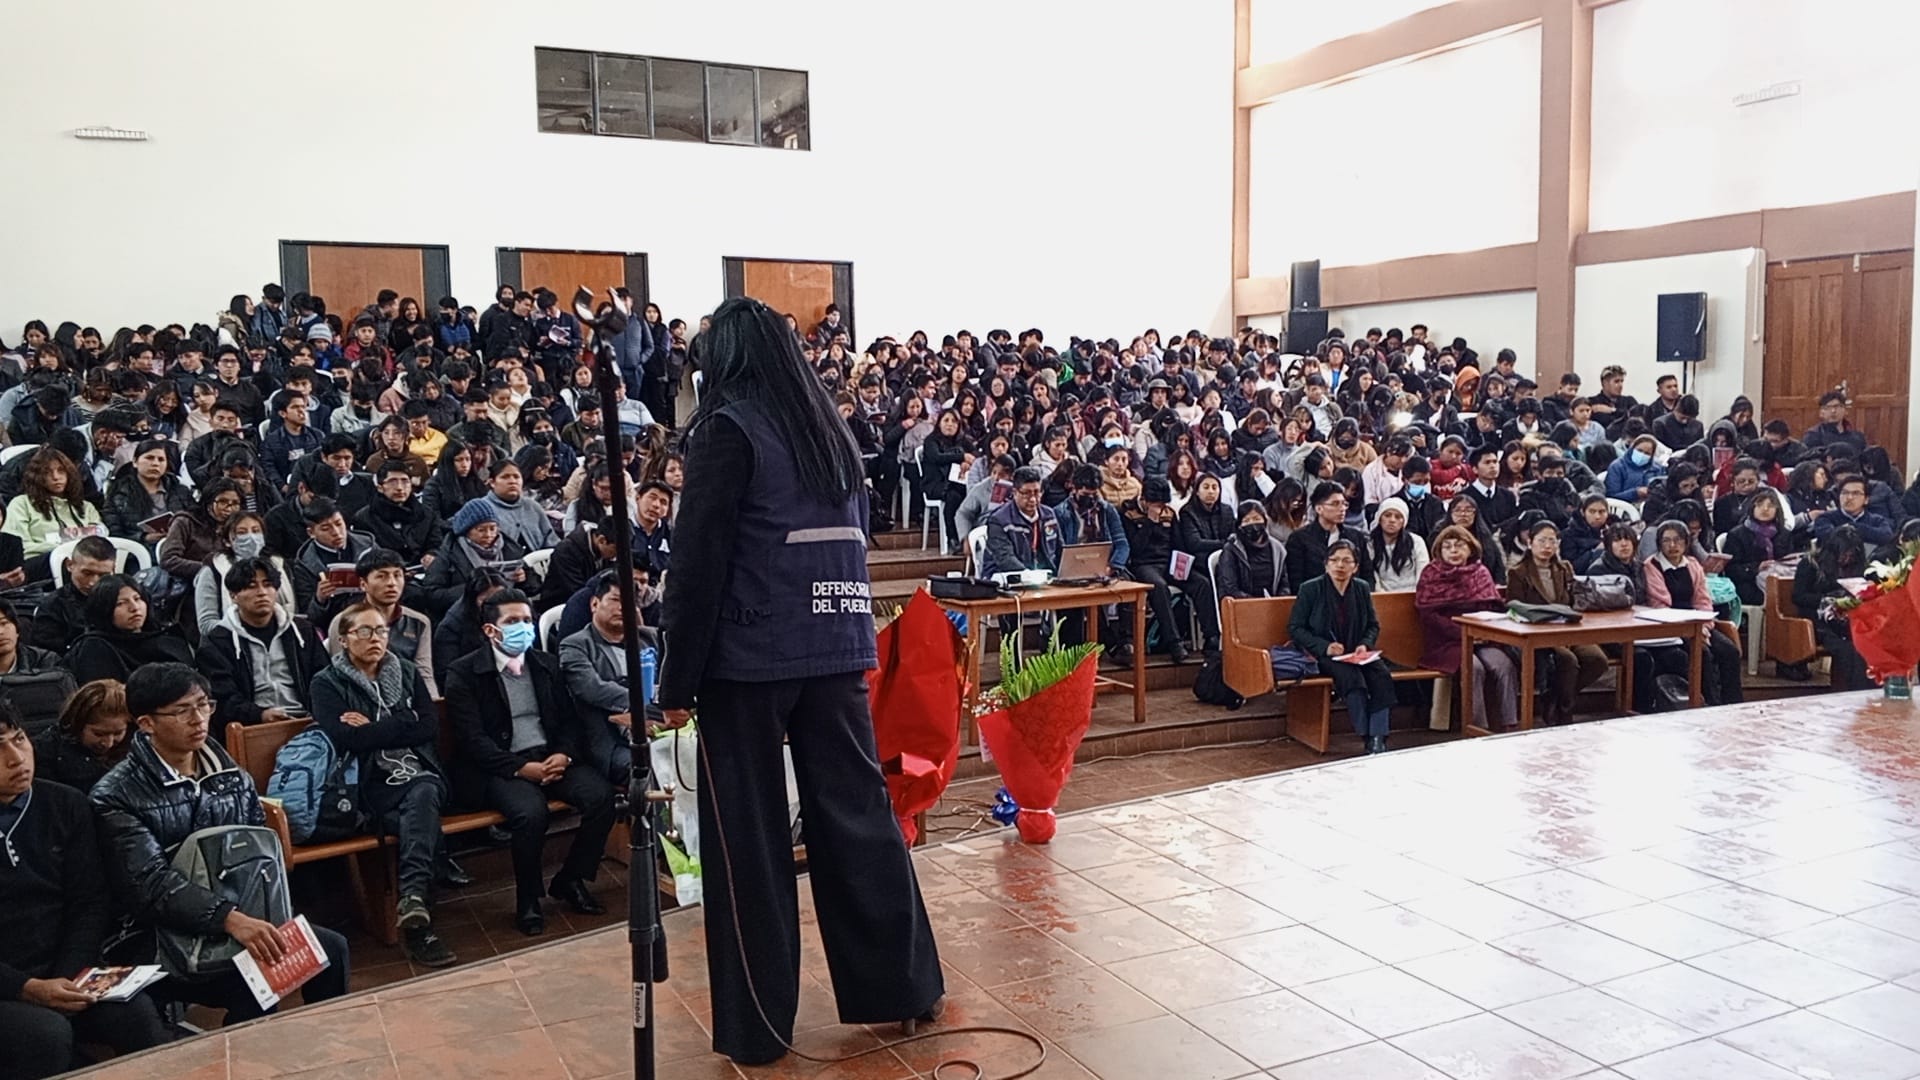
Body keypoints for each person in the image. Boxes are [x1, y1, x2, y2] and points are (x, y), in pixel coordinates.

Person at [656, 298, 943, 1066]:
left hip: (749, 659)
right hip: (837, 645)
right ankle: (906, 987)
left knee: (747, 843)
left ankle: (759, 1029)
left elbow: (698, 563)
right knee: (857, 819)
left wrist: (674, 680)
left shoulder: (727, 429)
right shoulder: (830, 431)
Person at [91, 664, 351, 1024]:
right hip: (155, 931)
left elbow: (258, 851)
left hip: (233, 914)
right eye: (182, 711)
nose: (198, 719)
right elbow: (149, 886)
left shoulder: (229, 775)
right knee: (251, 978)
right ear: (146, 723)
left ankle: (331, 1048)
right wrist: (229, 919)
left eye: (203, 705)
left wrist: (260, 916)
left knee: (330, 950)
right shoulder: (116, 795)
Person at [0, 701, 174, 1080]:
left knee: (137, 1015)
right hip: (9, 983)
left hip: (64, 970)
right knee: (44, 1036)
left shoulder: (64, 803)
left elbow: (89, 903)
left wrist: (67, 978)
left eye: (18, 739)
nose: (16, 758)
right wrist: (27, 988)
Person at [444, 589, 613, 936]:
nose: (524, 627)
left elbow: (569, 721)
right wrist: (520, 769)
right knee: (529, 813)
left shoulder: (546, 665)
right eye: (512, 621)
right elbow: (472, 739)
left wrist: (563, 754)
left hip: (549, 756)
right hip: (502, 765)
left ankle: (572, 878)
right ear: (491, 630)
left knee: (601, 797)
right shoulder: (464, 672)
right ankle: (529, 899)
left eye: (526, 620)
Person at [311, 602, 457, 969]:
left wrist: (376, 727)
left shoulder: (406, 671)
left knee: (423, 794)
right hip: (367, 786)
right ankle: (417, 920)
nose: (374, 638)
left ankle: (413, 905)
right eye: (364, 631)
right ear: (344, 639)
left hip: (420, 772)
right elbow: (346, 740)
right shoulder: (326, 683)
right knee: (421, 819)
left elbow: (427, 728)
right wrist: (400, 719)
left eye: (380, 631)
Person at [196, 557, 327, 739]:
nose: (262, 592)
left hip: (308, 720)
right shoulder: (218, 640)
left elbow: (323, 677)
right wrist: (260, 714)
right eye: (251, 586)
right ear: (233, 595)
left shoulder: (302, 631)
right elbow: (222, 697)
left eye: (268, 585)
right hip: (252, 727)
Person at [1288, 540, 1398, 753]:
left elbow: (1372, 625)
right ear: (1326, 564)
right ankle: (1364, 733)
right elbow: (1295, 628)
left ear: (1355, 567)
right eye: (1335, 560)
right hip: (1326, 655)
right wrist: (1325, 646)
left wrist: (1364, 645)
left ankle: (1378, 735)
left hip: (1357, 653)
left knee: (1381, 675)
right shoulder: (1310, 589)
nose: (1340, 565)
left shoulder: (1361, 588)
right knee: (1352, 678)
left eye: (1347, 561)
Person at [560, 570, 663, 785]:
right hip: (612, 741)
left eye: (629, 602)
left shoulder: (650, 637)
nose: (622, 607)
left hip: (662, 729)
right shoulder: (575, 645)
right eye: (615, 600)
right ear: (594, 604)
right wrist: (643, 702)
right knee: (654, 768)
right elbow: (590, 688)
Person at [1416, 525, 1520, 731]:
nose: (1453, 551)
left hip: (1482, 637)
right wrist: (1463, 632)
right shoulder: (1431, 574)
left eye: (1459, 545)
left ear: (1470, 549)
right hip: (1447, 642)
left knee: (1504, 665)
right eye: (1447, 547)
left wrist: (1482, 632)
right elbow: (1429, 616)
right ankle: (1476, 726)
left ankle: (1510, 724)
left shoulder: (1480, 572)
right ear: (1439, 551)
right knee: (1475, 668)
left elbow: (1493, 607)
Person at [1506, 521, 1609, 724]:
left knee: (1598, 660)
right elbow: (1513, 606)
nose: (1547, 546)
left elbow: (1573, 601)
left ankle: (1555, 698)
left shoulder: (1564, 568)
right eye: (1542, 540)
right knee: (1567, 660)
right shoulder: (1517, 572)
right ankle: (1565, 711)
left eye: (1552, 541)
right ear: (1530, 543)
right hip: (1539, 633)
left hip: (1568, 628)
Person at [1643, 519, 1745, 706]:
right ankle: (1710, 704)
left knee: (1729, 651)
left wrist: (1704, 628)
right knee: (1702, 653)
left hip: (1697, 622)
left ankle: (1734, 703)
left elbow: (1703, 600)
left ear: (1686, 542)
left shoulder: (1692, 564)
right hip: (1670, 627)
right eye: (1666, 540)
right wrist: (1690, 631)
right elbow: (1659, 604)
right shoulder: (1652, 566)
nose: (1673, 545)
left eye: (1678, 540)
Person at [326, 548, 438, 696]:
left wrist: (433, 705)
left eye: (397, 575)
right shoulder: (343, 621)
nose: (391, 583)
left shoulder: (419, 621)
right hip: (360, 697)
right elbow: (342, 671)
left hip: (408, 697)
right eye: (382, 576)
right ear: (363, 583)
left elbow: (424, 672)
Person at [67, 576, 195, 686]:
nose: (134, 608)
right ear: (104, 609)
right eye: (121, 603)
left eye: (137, 599)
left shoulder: (166, 638)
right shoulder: (95, 647)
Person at [1122, 476, 1196, 664]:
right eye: (1155, 504)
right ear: (1144, 500)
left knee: (1200, 583)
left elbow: (1178, 545)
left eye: (1162, 504)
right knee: (1159, 586)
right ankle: (1175, 644)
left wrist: (1181, 564)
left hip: (1168, 563)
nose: (1159, 508)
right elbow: (1134, 549)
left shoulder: (1169, 513)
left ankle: (1212, 638)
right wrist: (1149, 523)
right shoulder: (1128, 512)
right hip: (1142, 565)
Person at [421, 498, 534, 619]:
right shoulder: (449, 553)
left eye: (492, 528)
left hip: (510, 613)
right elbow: (432, 595)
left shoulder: (510, 549)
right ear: (467, 531)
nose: (488, 535)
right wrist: (473, 589)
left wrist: (524, 578)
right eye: (481, 530)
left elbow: (534, 587)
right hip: (466, 617)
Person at [1795, 524, 1874, 691]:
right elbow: (1798, 596)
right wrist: (1827, 599)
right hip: (1818, 618)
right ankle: (1854, 691)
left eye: (1851, 554)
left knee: (1868, 643)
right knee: (1847, 649)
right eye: (1843, 553)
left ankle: (1871, 690)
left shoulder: (1858, 567)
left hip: (1848, 616)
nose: (1846, 558)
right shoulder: (1810, 564)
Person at [4, 448, 103, 579]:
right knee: (67, 562)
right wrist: (62, 548)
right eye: (47, 472)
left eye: (61, 471)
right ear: (37, 476)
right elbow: (19, 547)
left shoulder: (86, 507)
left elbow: (101, 539)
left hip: (83, 561)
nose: (56, 477)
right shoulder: (21, 504)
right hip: (38, 564)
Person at [289, 497, 377, 630]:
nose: (336, 533)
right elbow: (310, 615)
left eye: (339, 524)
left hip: (375, 609)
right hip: (337, 623)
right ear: (311, 533)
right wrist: (320, 599)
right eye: (326, 528)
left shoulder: (368, 544)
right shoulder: (304, 565)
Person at [30, 681, 130, 794]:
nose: (108, 743)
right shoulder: (45, 752)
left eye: (118, 733)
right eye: (99, 734)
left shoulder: (136, 748)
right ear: (77, 724)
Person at [1175, 473, 1234, 653]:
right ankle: (1212, 636)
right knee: (1204, 584)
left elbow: (1234, 537)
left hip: (1222, 563)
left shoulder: (1226, 510)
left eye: (1214, 488)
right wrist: (1223, 544)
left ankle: (1234, 632)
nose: (1211, 492)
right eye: (1206, 487)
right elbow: (1194, 544)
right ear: (1197, 491)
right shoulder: (1187, 512)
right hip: (1194, 564)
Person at [353, 459, 445, 566]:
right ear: (380, 488)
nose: (400, 488)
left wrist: (431, 554)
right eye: (392, 482)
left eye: (405, 481)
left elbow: (436, 544)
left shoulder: (426, 514)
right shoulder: (364, 518)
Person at [1287, 480, 1374, 592]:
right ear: (1319, 508)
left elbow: (1367, 574)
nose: (1342, 509)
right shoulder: (1299, 539)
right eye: (1335, 504)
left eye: (1344, 504)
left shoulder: (1356, 537)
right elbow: (1296, 581)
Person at [103, 439, 195, 543]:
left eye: (161, 460)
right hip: (135, 552)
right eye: (149, 458)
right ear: (135, 462)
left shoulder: (179, 490)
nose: (155, 464)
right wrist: (144, 538)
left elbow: (194, 521)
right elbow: (114, 532)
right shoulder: (119, 492)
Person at [1723, 488, 1802, 607]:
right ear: (1752, 507)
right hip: (1749, 582)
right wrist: (1757, 567)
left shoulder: (1783, 533)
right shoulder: (1737, 535)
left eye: (1770, 506)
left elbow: (1788, 558)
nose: (1765, 509)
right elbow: (1731, 569)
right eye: (1760, 505)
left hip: (1779, 577)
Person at [1216, 499, 1286, 599]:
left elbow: (1284, 583)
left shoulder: (1277, 548)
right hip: (1243, 604)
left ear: (1265, 521)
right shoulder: (1232, 549)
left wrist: (1279, 600)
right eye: (1246, 520)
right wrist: (1255, 603)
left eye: (1256, 518)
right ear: (1239, 525)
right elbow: (1230, 588)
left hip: (1272, 604)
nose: (1252, 523)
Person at [1367, 496, 1430, 592]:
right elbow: (1371, 574)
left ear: (1404, 521)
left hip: (1413, 595)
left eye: (1398, 517)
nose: (1392, 520)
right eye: (1387, 515)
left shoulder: (1416, 541)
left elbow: (1423, 572)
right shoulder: (1370, 544)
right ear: (1379, 518)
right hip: (1383, 597)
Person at [1812, 475, 1894, 547]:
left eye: (1856, 493)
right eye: (1845, 493)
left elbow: (1886, 536)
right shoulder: (1826, 518)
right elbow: (1829, 537)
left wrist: (1853, 527)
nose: (1849, 497)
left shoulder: (1877, 520)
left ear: (1866, 499)